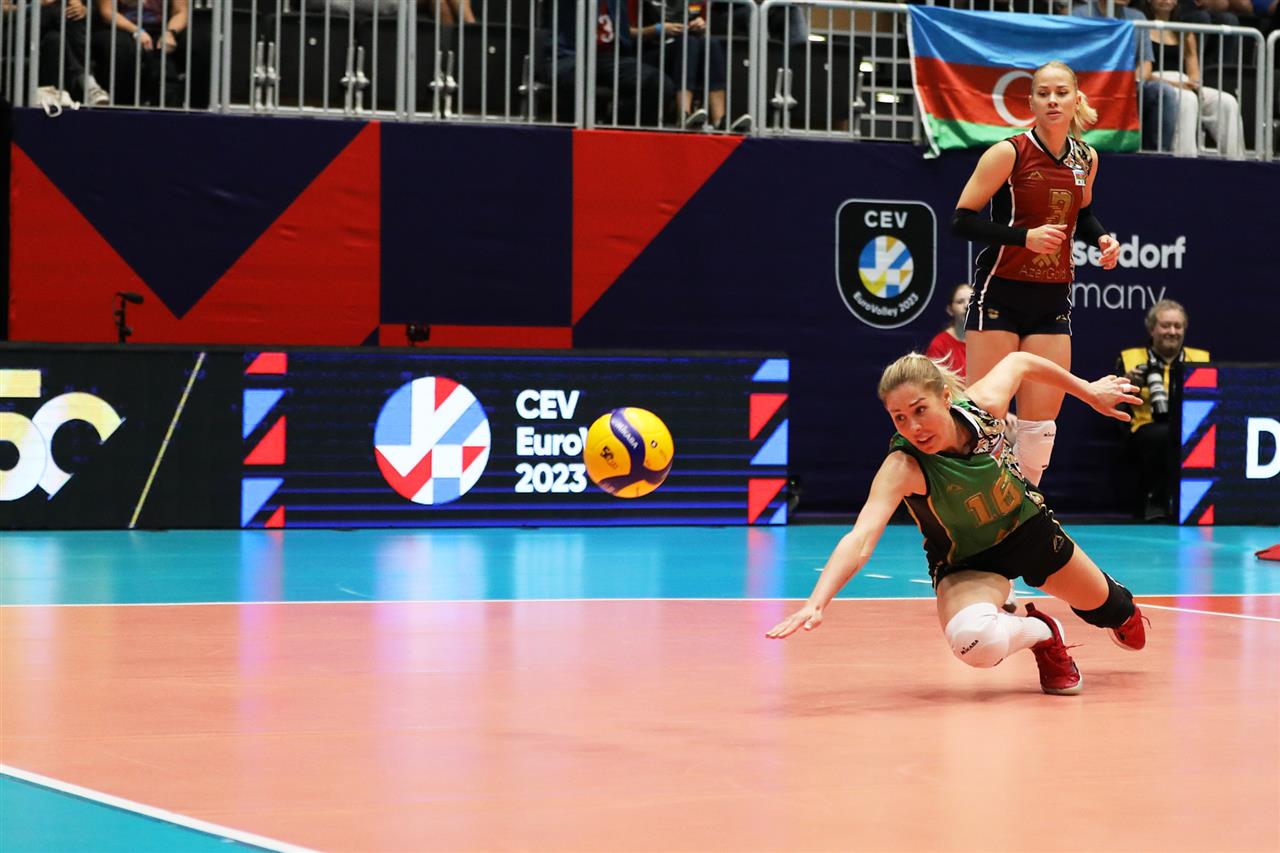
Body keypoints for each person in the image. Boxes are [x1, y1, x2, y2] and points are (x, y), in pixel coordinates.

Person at [766, 352, 1150, 696]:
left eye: (920, 410)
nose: (914, 427)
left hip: (1029, 530)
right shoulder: (903, 466)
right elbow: (861, 538)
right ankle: (1044, 635)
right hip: (967, 562)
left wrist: (1088, 392)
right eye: (899, 418)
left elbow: (1021, 362)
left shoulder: (982, 407)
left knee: (1121, 617)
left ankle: (1114, 603)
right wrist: (816, 602)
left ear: (946, 398)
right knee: (972, 641)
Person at [950, 60, 1120, 489]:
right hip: (1000, 295)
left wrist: (1102, 238)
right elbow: (961, 221)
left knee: (1039, 431)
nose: (1052, 101)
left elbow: (1083, 213)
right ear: (1031, 103)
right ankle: (973, 510)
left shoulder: (1087, 158)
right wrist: (1024, 238)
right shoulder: (1008, 153)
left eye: (1061, 93)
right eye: (1043, 94)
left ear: (1076, 99)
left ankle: (1022, 516)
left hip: (1052, 298)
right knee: (982, 421)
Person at [1116, 299, 1210, 520]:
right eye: (1166, 325)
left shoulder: (1201, 359)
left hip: (1189, 427)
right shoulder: (1131, 358)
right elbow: (1115, 404)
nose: (1172, 332)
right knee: (1164, 435)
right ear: (1152, 329)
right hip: (1144, 428)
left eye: (1178, 326)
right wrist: (1127, 385)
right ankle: (1156, 503)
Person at [1139, 0, 1245, 158]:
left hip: (1184, 82)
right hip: (1159, 82)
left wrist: (1194, 84)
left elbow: (1193, 67)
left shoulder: (1184, 32)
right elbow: (1144, 74)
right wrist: (1177, 85)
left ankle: (1236, 160)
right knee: (1188, 100)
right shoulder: (1142, 28)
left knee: (1226, 101)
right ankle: (1185, 159)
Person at [1072, 0, 1179, 154]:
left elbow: (1145, 64)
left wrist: (1127, 85)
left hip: (1128, 87)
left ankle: (1157, 158)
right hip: (1091, 87)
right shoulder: (1080, 14)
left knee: (1163, 92)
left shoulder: (1137, 17)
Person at [925, 283, 973, 381]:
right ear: (950, 310)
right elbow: (934, 384)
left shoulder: (988, 342)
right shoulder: (939, 344)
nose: (967, 305)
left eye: (972, 301)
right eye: (960, 302)